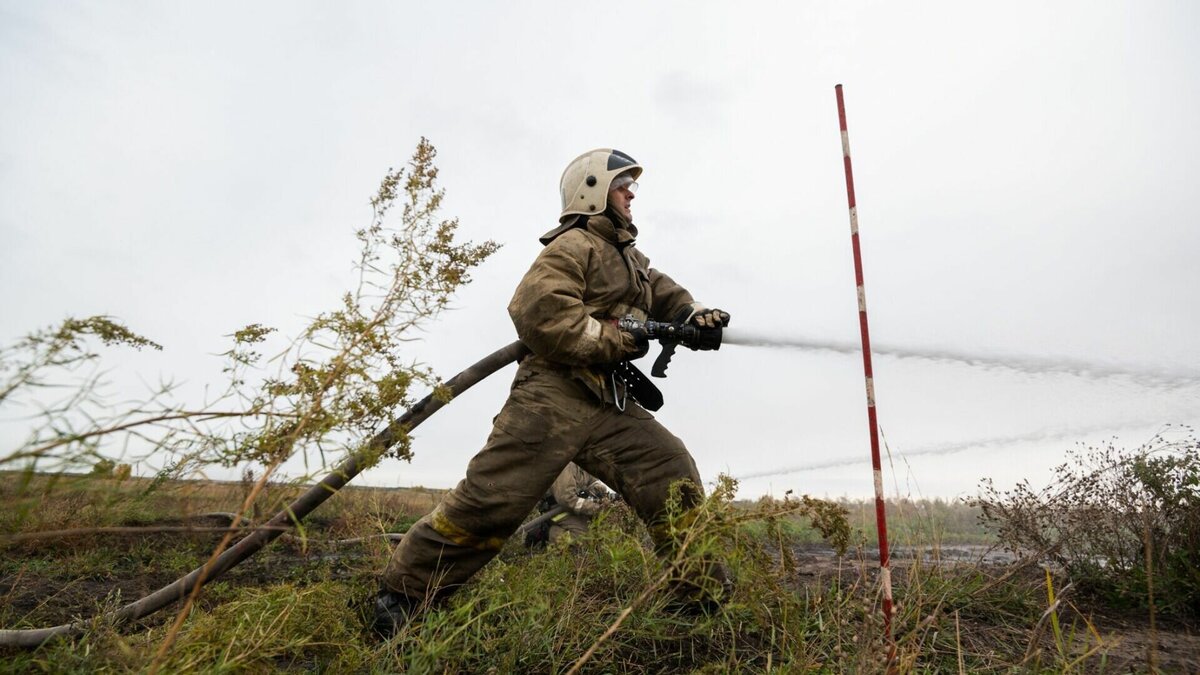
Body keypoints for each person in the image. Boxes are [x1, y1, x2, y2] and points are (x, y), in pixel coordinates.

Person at [373, 148, 731, 636]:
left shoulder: (633, 261)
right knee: (489, 501)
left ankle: (699, 597)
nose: (631, 194)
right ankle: (402, 598)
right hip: (551, 399)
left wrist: (694, 315)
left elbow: (667, 295)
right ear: (593, 191)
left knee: (670, 471)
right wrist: (617, 339)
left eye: (630, 186)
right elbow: (539, 310)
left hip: (609, 401)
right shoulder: (573, 246)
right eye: (622, 185)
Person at [525, 462, 612, 548]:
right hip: (556, 509)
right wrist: (596, 508)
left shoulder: (583, 462)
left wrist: (602, 493)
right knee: (584, 540)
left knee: (601, 529)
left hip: (575, 506)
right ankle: (546, 531)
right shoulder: (565, 465)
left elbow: (593, 481)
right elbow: (566, 499)